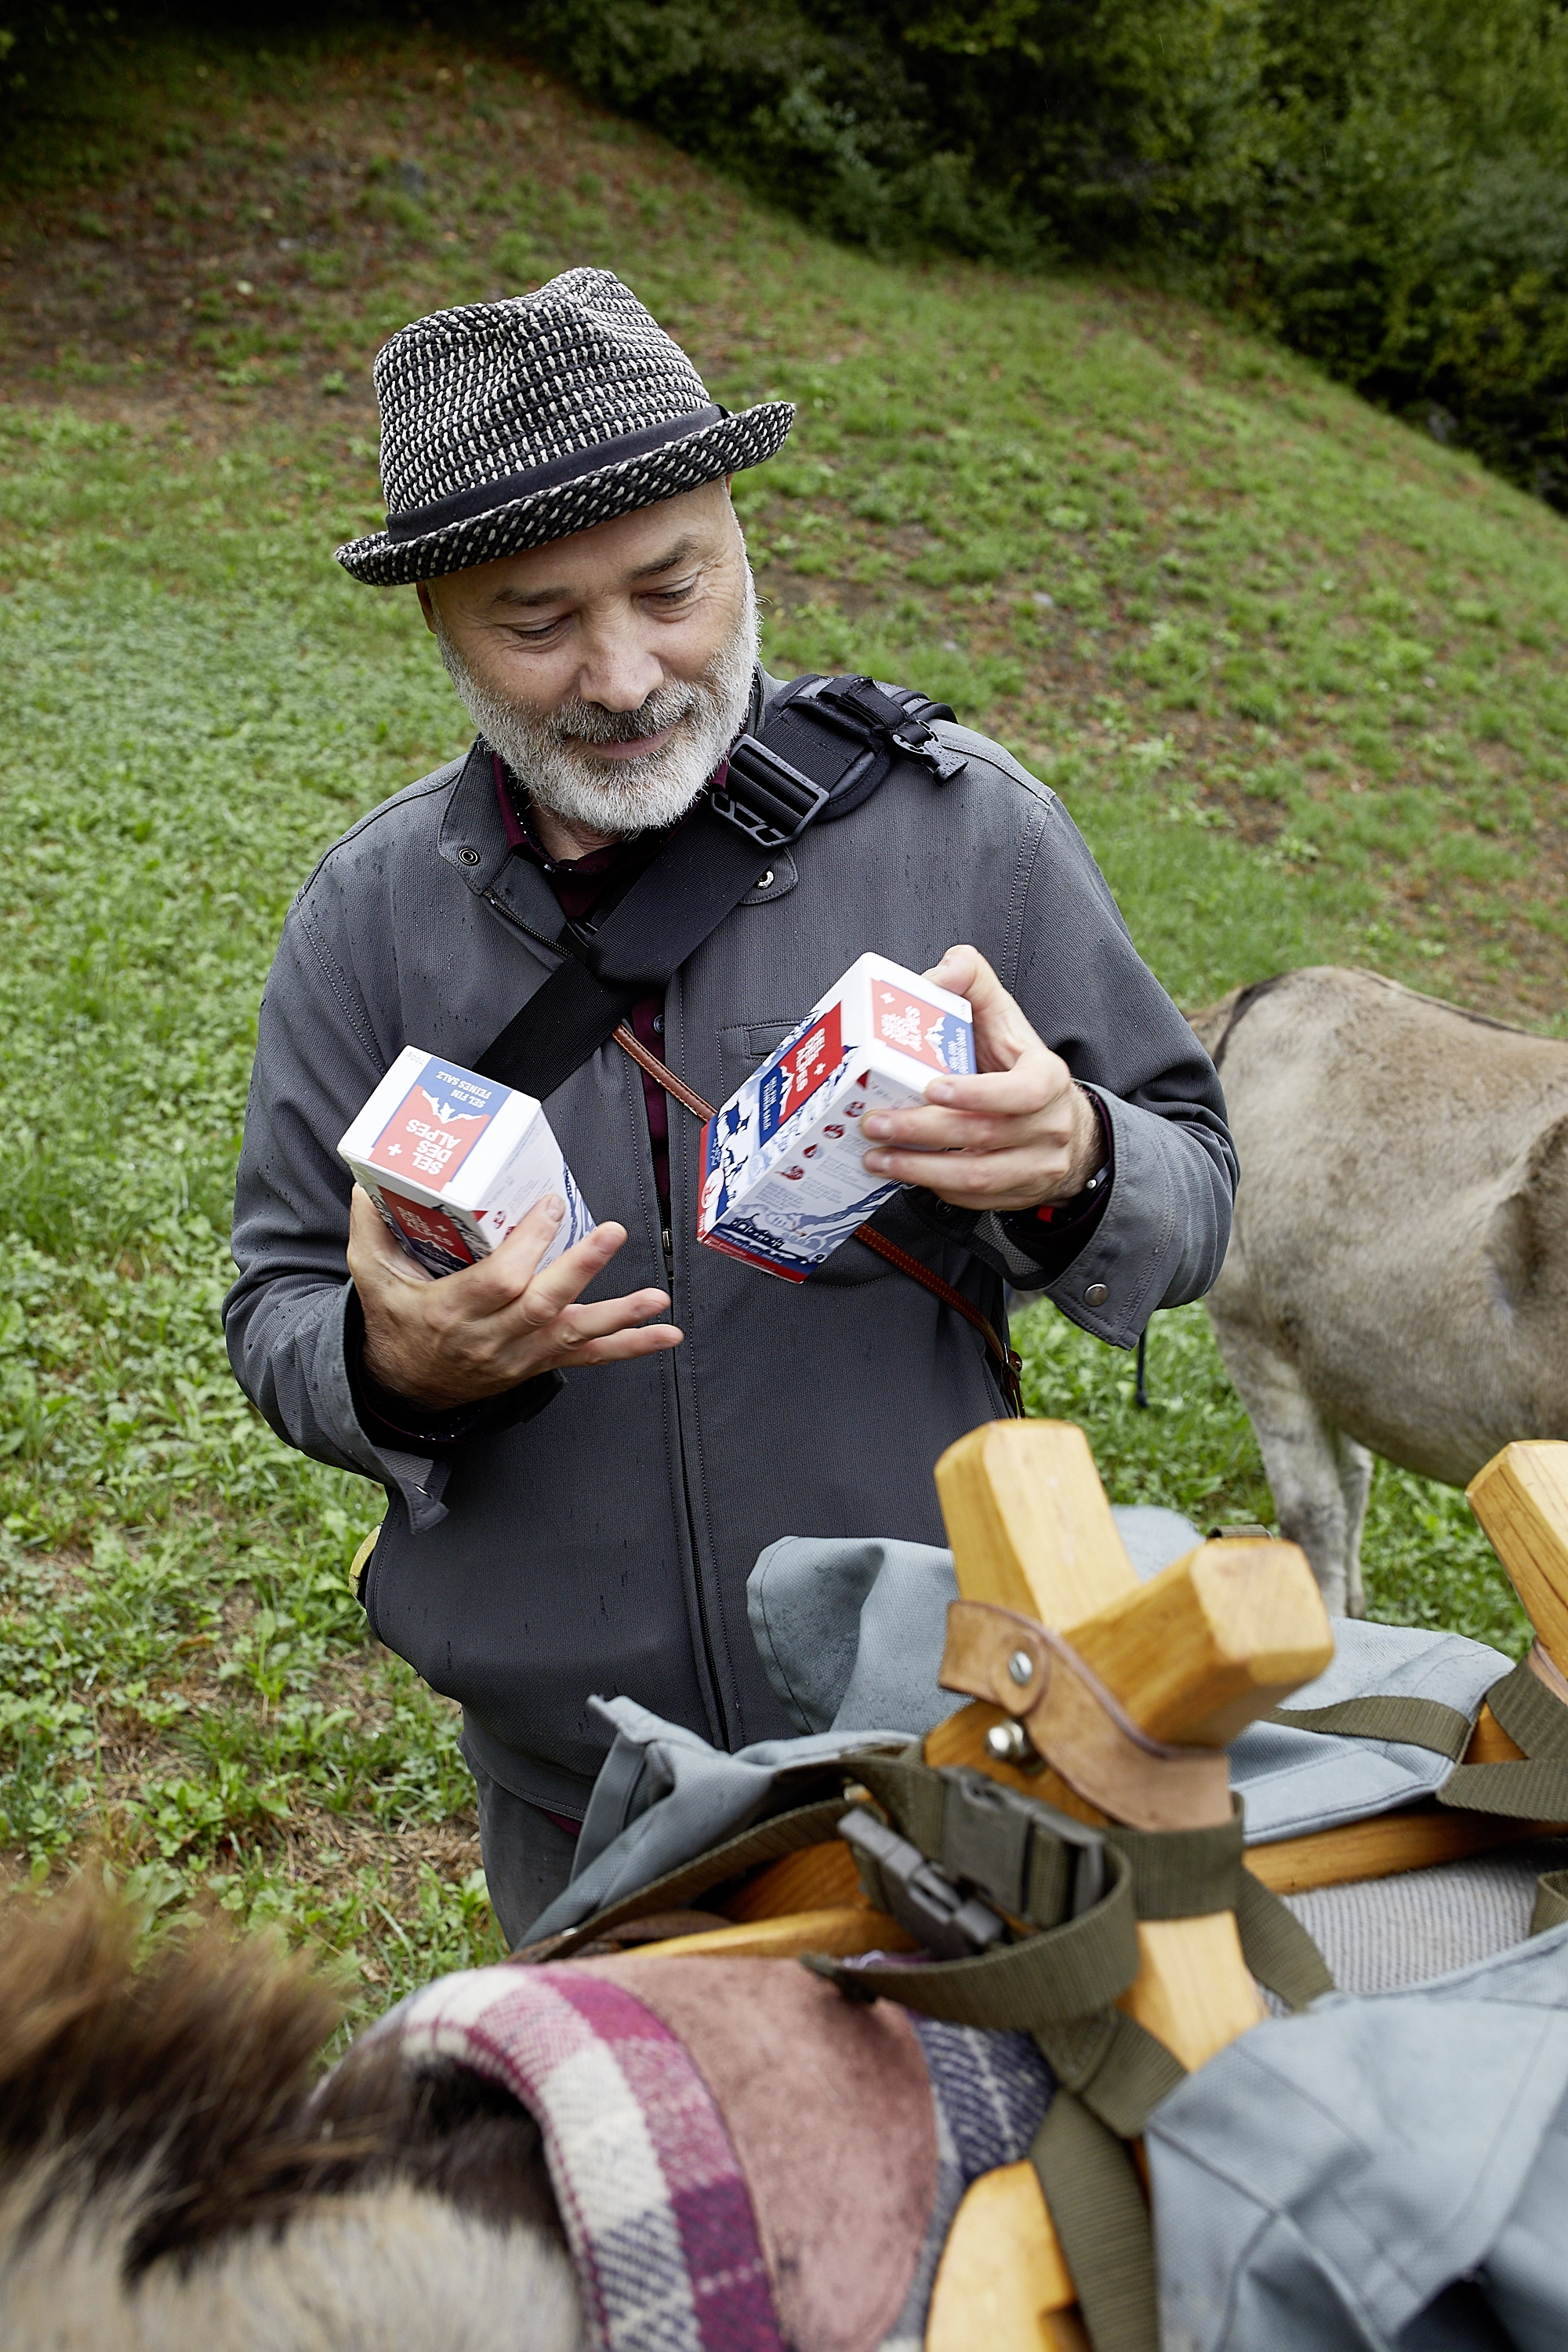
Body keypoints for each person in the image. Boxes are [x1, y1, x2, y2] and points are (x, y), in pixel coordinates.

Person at [225, 267, 1236, 1944]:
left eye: (672, 588)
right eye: (534, 622)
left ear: (738, 542)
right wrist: (392, 1363)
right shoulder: (368, 918)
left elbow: (1195, 1186)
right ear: (438, 626)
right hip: (579, 1797)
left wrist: (1076, 1163)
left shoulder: (964, 831)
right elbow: (276, 1306)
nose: (625, 676)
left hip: (938, 1743)